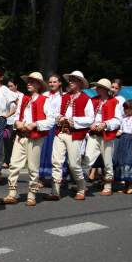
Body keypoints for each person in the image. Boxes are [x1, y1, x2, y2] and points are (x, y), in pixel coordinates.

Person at [0, 72, 54, 206]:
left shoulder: (45, 100)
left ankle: (32, 194)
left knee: (33, 167)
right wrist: (17, 123)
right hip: (21, 136)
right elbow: (17, 115)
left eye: (32, 82)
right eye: (28, 81)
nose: (29, 83)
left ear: (39, 85)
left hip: (35, 138)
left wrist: (35, 124)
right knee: (14, 165)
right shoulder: (24, 99)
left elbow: (51, 121)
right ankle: (12, 193)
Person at [44, 70, 93, 201]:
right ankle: (55, 191)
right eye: (70, 80)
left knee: (73, 164)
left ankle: (81, 187)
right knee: (56, 162)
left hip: (75, 134)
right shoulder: (64, 97)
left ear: (80, 83)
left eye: (73, 80)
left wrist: (74, 121)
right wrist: (58, 118)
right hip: (60, 132)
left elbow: (90, 119)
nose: (70, 82)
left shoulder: (86, 99)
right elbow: (53, 113)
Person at [81, 78, 122, 196]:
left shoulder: (114, 102)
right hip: (93, 135)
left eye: (99, 87)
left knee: (107, 161)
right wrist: (91, 124)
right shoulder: (92, 101)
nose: (97, 89)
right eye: (97, 87)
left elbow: (117, 120)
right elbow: (87, 116)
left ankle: (108, 186)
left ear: (105, 89)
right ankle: (82, 186)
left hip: (107, 135)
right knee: (87, 160)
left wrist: (105, 124)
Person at [38, 74, 68, 185]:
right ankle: (42, 177)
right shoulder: (45, 95)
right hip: (47, 126)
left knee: (57, 152)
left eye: (54, 82)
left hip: (58, 126)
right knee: (44, 151)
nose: (52, 84)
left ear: (60, 83)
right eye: (50, 82)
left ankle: (59, 177)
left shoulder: (64, 96)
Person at [113, 100, 132, 194]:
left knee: (131, 161)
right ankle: (126, 185)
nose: (125, 110)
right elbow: (121, 130)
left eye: (127, 108)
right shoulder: (124, 119)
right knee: (123, 162)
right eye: (124, 108)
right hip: (123, 140)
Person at [4, 79, 23, 169]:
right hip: (8, 121)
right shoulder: (6, 95)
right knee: (7, 141)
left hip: (17, 122)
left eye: (11, 86)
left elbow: (20, 108)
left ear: (16, 86)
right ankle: (7, 161)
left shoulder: (21, 95)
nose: (9, 88)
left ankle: (16, 162)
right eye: (8, 86)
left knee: (18, 142)